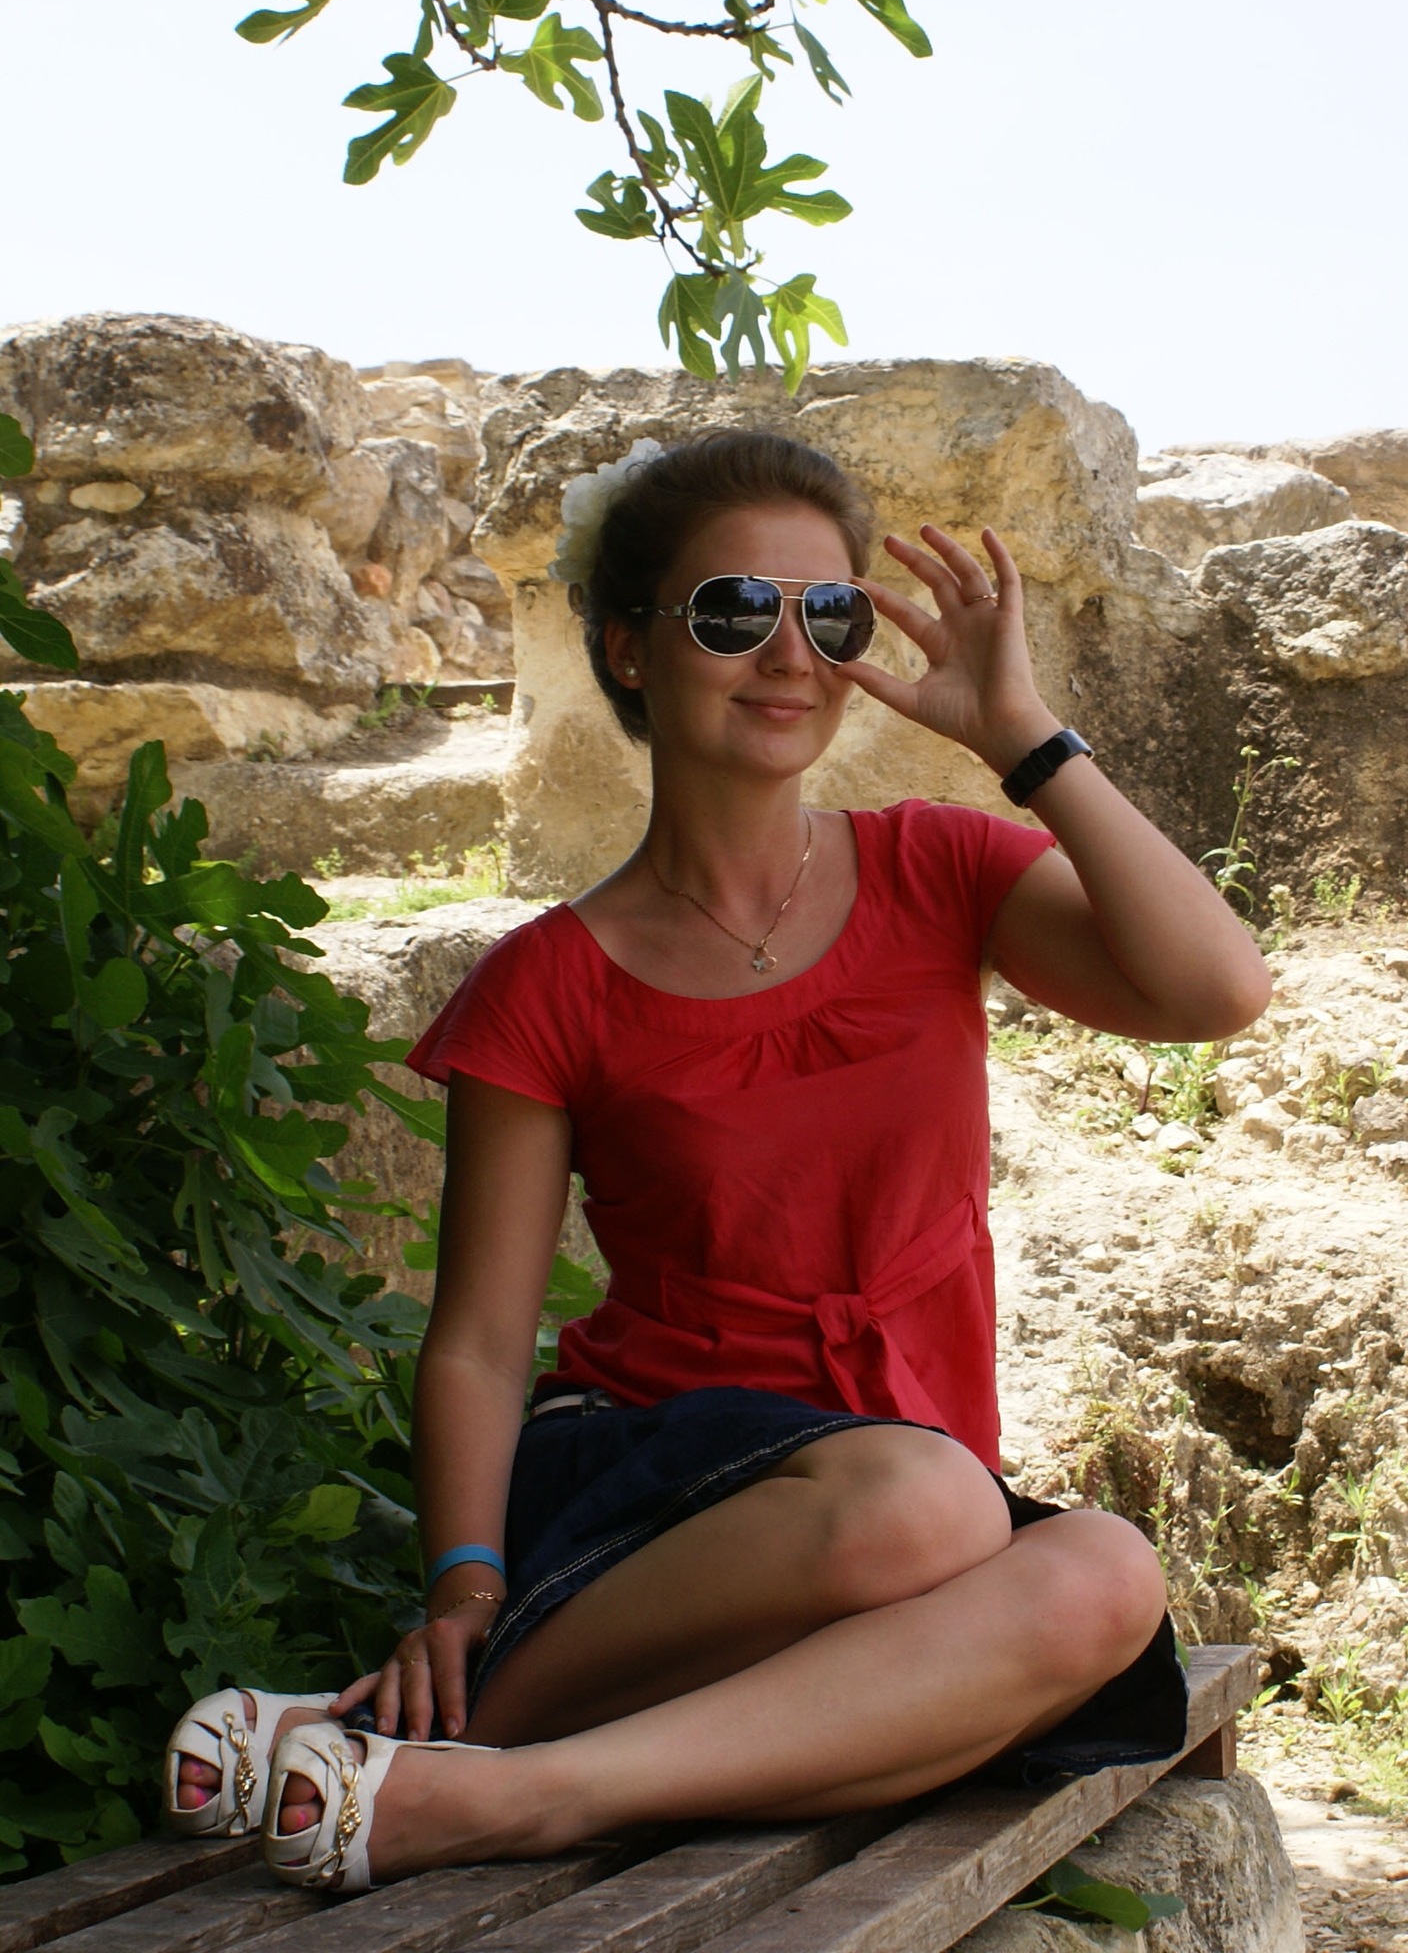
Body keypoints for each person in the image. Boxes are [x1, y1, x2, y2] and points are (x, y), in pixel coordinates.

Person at [166, 429, 1271, 1891]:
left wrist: (1024, 740)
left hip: (901, 1501)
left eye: (833, 613)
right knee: (934, 1503)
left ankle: (504, 1782)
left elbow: (1216, 992)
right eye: (735, 611)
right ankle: (477, 1709)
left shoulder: (939, 871)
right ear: (629, 647)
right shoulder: (545, 984)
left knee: (1111, 1577)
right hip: (657, 1496)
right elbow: (482, 1344)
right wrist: (465, 1582)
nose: (791, 653)